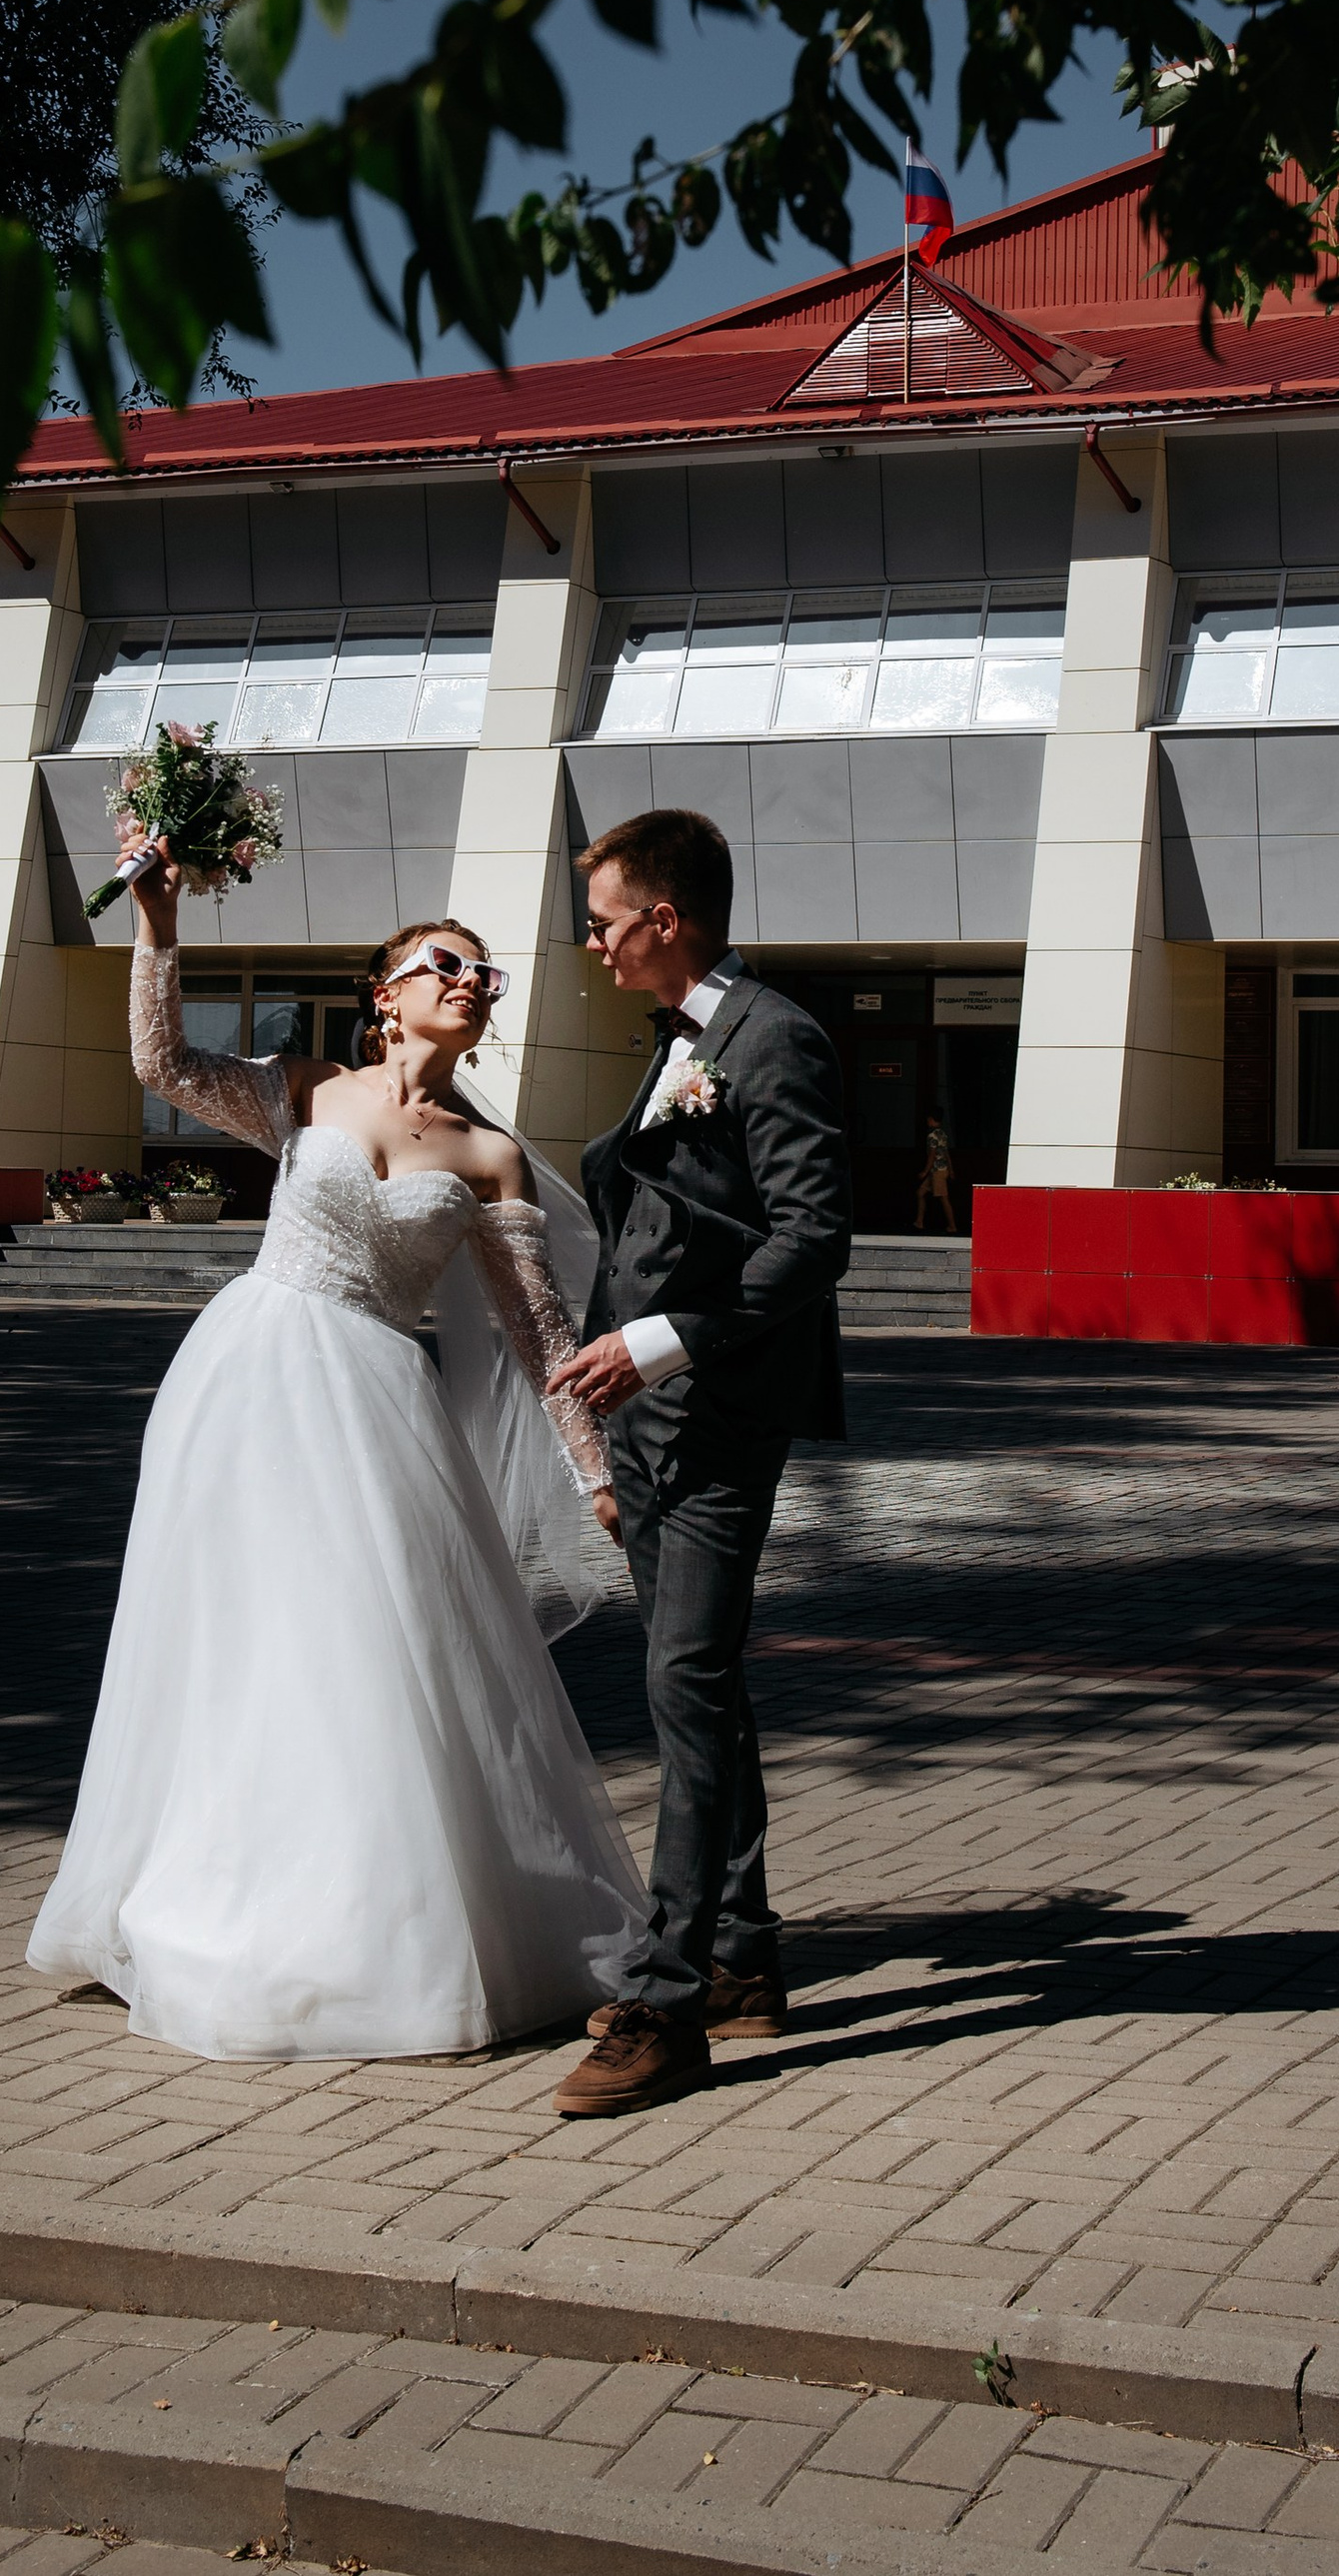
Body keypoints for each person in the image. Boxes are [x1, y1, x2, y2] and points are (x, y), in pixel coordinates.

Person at [27, 851, 642, 2060]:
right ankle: (201, 1888)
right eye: (445, 963)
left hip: (369, 1409)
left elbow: (538, 1334)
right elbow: (162, 1066)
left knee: (359, 1645)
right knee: (232, 1641)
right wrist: (156, 924)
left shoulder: (486, 1157)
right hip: (244, 1382)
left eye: (486, 972)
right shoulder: (304, 1090)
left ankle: (366, 1920)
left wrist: (594, 1474)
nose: (470, 982)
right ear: (385, 993)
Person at [544, 807, 852, 2118]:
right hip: (658, 1412)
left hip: (719, 1400)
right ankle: (739, 1950)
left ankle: (665, 2001)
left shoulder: (770, 1033)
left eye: (607, 920)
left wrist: (661, 1341)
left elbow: (814, 1234)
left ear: (665, 916)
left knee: (685, 1675)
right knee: (700, 1685)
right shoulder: (683, 1037)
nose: (596, 945)